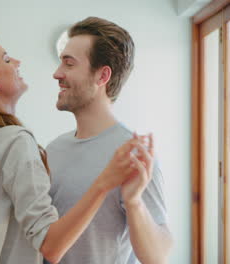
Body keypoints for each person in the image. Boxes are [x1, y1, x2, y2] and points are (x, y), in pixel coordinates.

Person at [0, 36, 147, 264]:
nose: (17, 62)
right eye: (6, 59)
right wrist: (105, 183)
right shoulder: (14, 143)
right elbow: (51, 246)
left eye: (69, 63)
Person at [46, 17, 173, 264]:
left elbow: (158, 257)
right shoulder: (53, 150)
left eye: (69, 64)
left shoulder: (131, 154)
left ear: (102, 75)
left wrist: (134, 202)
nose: (57, 74)